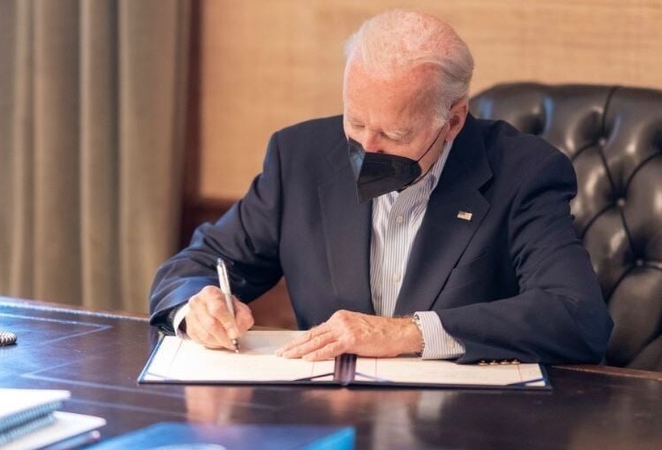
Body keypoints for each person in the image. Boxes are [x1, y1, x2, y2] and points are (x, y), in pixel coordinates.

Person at [149, 9, 613, 364]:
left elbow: (577, 317)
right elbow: (193, 266)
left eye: (394, 135)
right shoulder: (301, 157)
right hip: (331, 421)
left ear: (452, 120)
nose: (367, 149)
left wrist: (410, 332)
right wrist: (198, 308)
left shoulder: (523, 172)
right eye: (356, 122)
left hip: (465, 427)